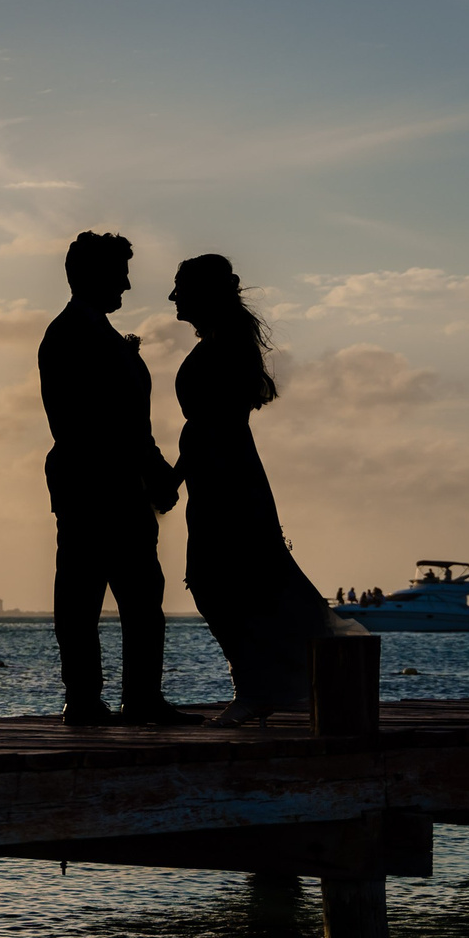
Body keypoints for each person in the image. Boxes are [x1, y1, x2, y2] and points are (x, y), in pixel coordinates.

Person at [169, 253, 345, 726]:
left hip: (225, 472)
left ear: (203, 294)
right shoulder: (225, 342)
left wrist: (176, 475)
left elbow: (213, 423)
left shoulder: (225, 346)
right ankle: (266, 684)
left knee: (224, 577)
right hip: (219, 470)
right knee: (232, 577)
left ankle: (259, 687)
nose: (172, 298)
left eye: (180, 289)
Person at [38, 231, 191, 727]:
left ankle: (134, 696)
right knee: (86, 597)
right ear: (91, 276)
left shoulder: (93, 334)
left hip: (119, 485)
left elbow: (129, 426)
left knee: (140, 597)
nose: (127, 284)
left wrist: (153, 471)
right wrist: (155, 470)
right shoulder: (71, 336)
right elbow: (104, 424)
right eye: (120, 273)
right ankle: (88, 698)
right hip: (93, 486)